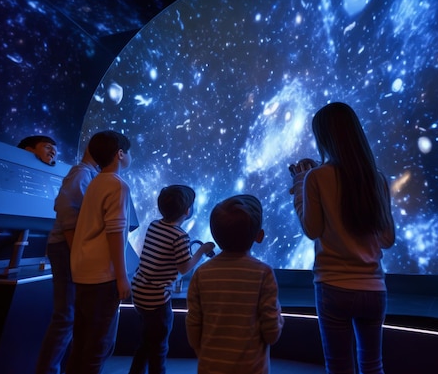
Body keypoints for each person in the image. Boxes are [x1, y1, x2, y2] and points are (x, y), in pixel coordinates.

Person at [289, 102, 395, 374]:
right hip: (374, 289)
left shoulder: (315, 177)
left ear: (323, 137)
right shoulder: (377, 179)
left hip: (333, 287)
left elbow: (312, 230)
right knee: (373, 366)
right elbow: (386, 239)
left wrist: (301, 185)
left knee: (339, 367)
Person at [186, 194, 284, 374]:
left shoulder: (202, 274)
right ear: (259, 236)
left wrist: (204, 355)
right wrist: (279, 318)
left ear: (215, 236)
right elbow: (272, 335)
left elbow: (193, 327)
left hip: (210, 367)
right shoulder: (263, 274)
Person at [65, 130, 133, 374]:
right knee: (99, 347)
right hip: (103, 278)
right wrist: (122, 276)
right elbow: (115, 232)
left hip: (83, 272)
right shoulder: (118, 185)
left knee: (81, 342)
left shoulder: (94, 182)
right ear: (120, 154)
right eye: (128, 152)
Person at [129, 185, 215, 374]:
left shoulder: (154, 225)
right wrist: (201, 251)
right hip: (157, 300)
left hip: (139, 293)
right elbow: (184, 268)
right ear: (187, 211)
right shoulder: (180, 236)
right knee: (159, 347)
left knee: (146, 341)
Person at [35, 143, 99, 374]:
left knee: (71, 317)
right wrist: (77, 250)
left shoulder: (91, 175)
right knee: (66, 317)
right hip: (65, 248)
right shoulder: (81, 173)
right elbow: (64, 207)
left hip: (70, 248)